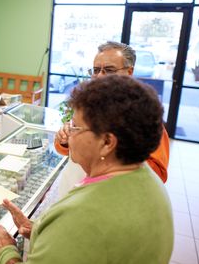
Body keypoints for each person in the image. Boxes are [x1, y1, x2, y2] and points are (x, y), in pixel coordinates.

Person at [0, 75, 174, 264]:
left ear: (107, 142)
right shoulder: (145, 178)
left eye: (76, 127)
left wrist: (6, 252)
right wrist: (39, 230)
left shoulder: (82, 215)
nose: (68, 133)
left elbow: (82, 230)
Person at [54, 41, 170, 198]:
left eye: (108, 70)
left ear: (129, 72)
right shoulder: (86, 104)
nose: (100, 75)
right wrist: (66, 139)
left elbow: (157, 173)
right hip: (72, 189)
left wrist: (106, 156)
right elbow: (65, 149)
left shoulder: (143, 114)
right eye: (96, 70)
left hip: (111, 196)